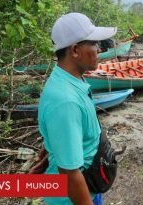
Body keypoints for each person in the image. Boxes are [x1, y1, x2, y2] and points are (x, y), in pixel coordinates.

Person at [37, 12, 116, 205]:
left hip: (88, 184)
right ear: (74, 50)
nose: (98, 49)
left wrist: (48, 153)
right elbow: (70, 174)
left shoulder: (70, 80)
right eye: (94, 43)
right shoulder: (66, 101)